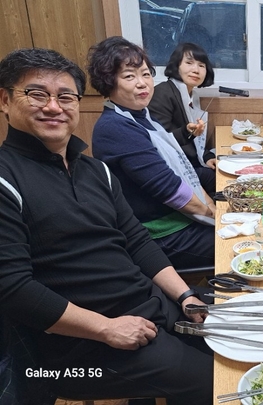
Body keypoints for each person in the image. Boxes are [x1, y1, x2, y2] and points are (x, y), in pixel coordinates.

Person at [0, 48, 211, 404]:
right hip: (77, 351)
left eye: (65, 96)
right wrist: (107, 328)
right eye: (37, 94)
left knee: (235, 345)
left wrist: (185, 295)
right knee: (214, 382)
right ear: (5, 100)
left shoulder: (95, 171)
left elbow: (138, 241)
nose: (53, 106)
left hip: (147, 305)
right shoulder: (7, 179)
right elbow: (13, 289)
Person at [89, 36, 215, 269]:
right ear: (108, 82)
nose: (142, 83)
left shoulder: (143, 117)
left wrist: (213, 209)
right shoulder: (115, 128)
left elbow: (185, 173)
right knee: (241, 243)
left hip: (179, 218)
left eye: (146, 74)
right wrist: (217, 217)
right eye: (129, 76)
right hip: (161, 234)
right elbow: (170, 188)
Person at [148, 42, 216, 194]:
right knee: (222, 179)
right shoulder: (163, 93)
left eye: (201, 65)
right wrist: (186, 132)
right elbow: (160, 141)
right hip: (173, 170)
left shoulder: (191, 95)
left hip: (189, 162)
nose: (196, 70)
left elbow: (195, 141)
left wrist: (207, 157)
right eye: (189, 63)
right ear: (176, 65)